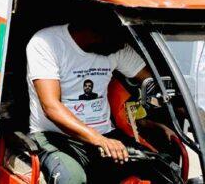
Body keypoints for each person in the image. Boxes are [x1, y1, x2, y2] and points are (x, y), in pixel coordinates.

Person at [26, 15, 180, 184]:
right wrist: (100, 140)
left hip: (106, 135)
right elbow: (51, 106)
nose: (122, 46)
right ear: (95, 32)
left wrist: (179, 109)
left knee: (164, 170)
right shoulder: (47, 43)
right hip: (55, 136)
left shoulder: (115, 47)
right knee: (71, 179)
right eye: (118, 40)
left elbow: (151, 82)